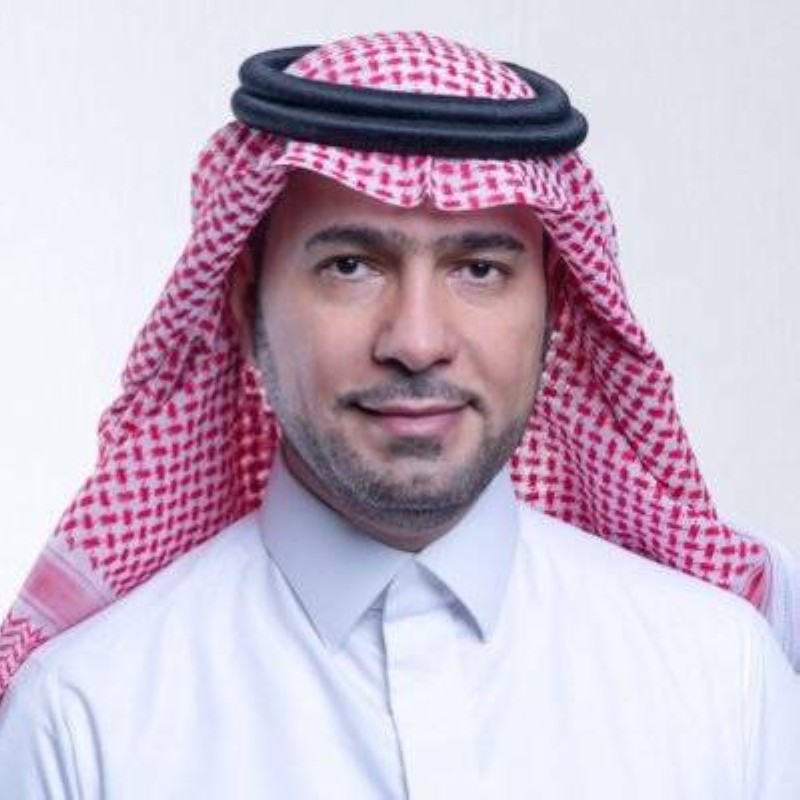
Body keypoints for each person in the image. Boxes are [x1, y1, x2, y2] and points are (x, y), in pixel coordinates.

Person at [0, 30, 798, 798]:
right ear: (245, 305)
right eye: (351, 266)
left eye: (478, 269)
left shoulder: (721, 679)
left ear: (555, 306)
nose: (417, 342)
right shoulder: (84, 723)